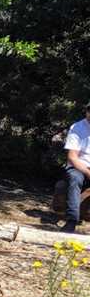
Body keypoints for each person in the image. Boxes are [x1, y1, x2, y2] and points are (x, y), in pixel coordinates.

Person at [62, 100, 90, 233]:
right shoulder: (77, 128)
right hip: (78, 166)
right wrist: (87, 172)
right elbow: (72, 157)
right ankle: (71, 220)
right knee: (75, 179)